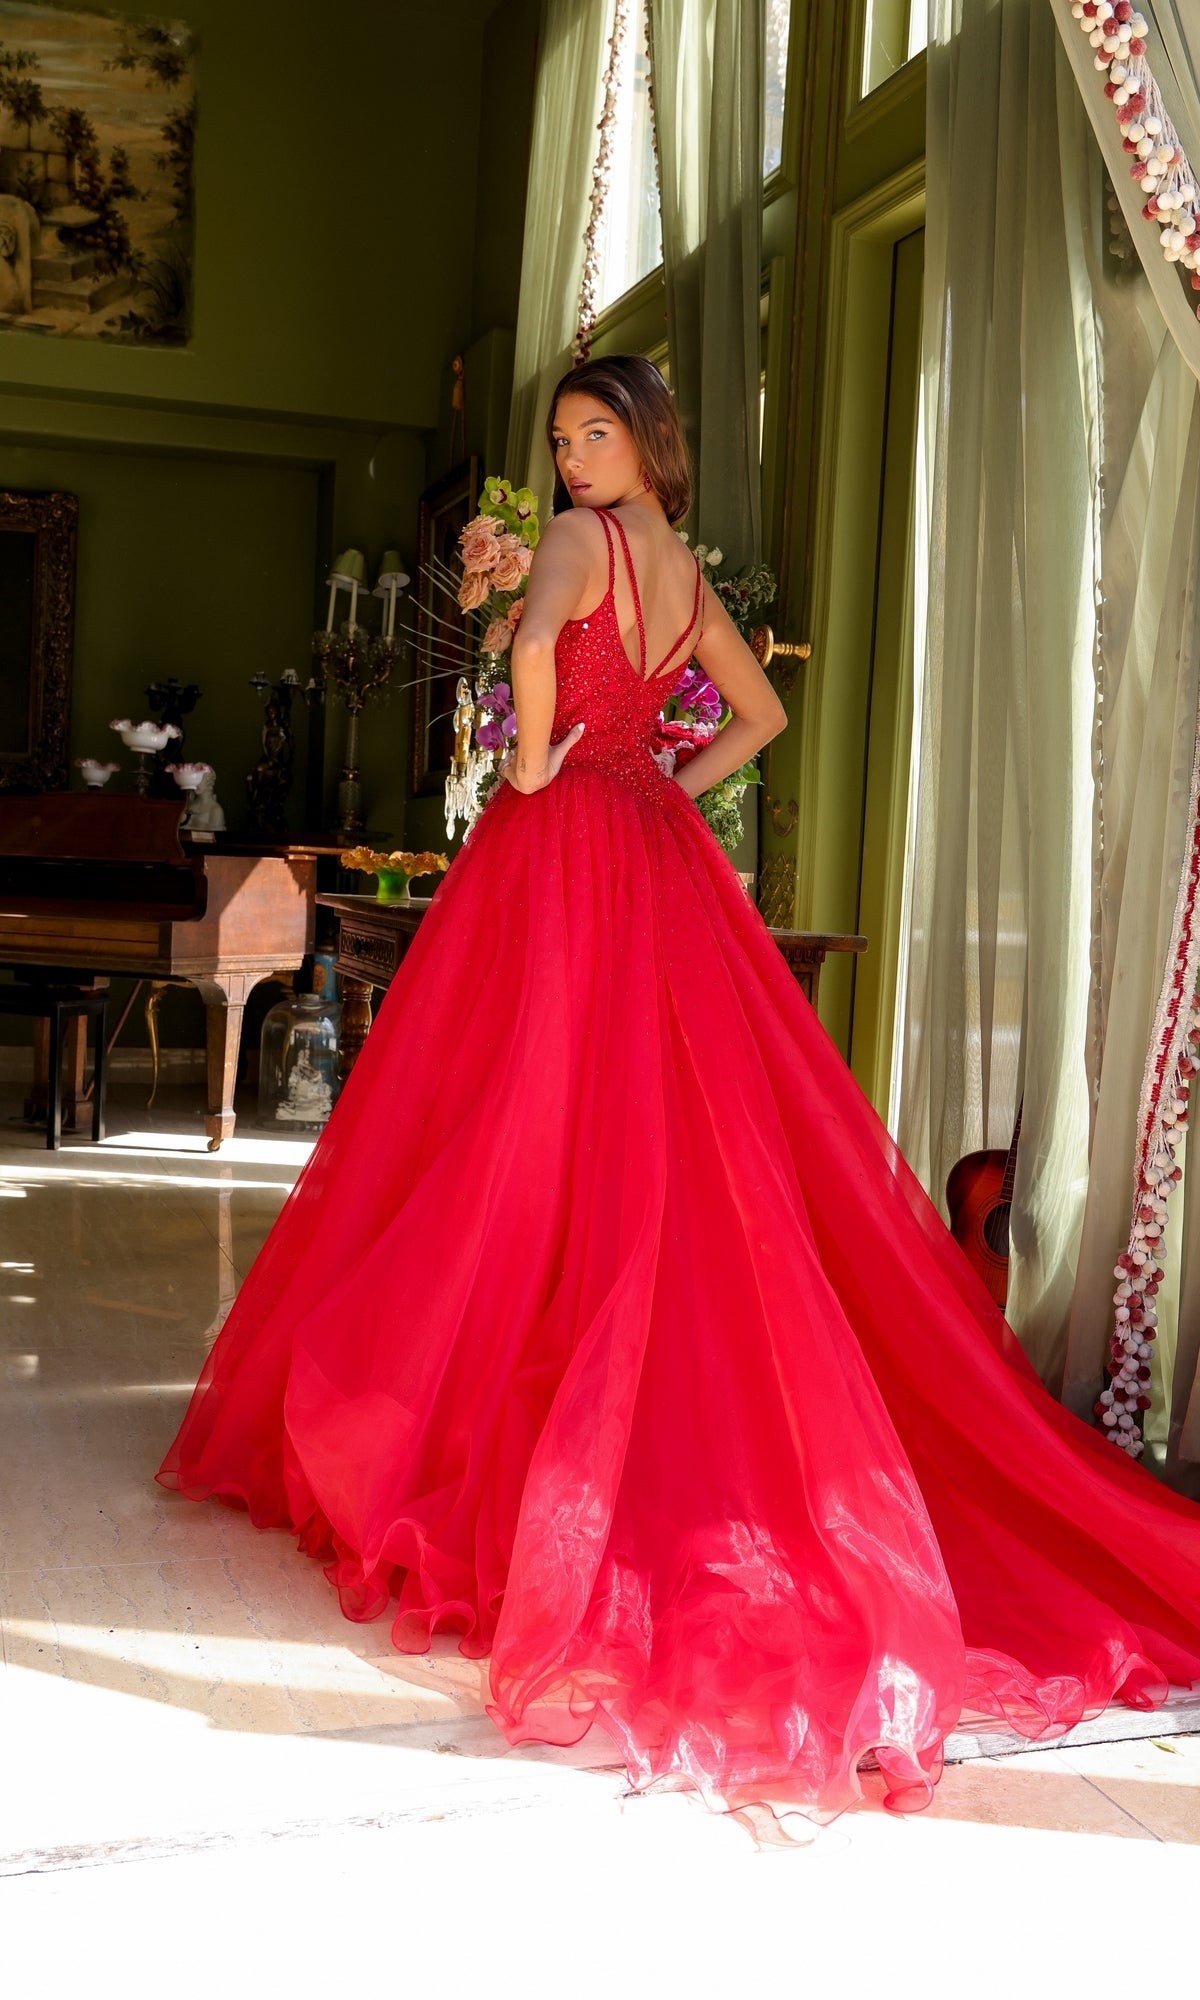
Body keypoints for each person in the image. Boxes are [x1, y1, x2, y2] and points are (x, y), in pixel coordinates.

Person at [159, 353, 1200, 1827]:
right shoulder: (678, 562)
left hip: (561, 840)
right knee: (659, 1124)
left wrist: (530, 772)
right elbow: (762, 718)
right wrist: (667, 772)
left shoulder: (579, 546)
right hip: (652, 841)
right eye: (565, 436)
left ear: (649, 442)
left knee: (516, 1114)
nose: (578, 457)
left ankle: (494, 1398)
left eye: (600, 433)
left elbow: (531, 656)